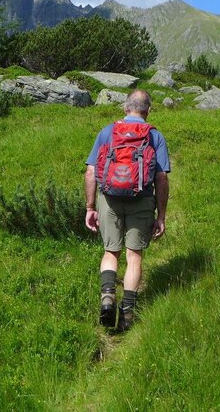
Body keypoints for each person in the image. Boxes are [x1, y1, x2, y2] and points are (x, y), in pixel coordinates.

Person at [84, 90, 170, 331]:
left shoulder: (107, 132)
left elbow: (91, 172)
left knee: (111, 252)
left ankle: (108, 297)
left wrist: (90, 207)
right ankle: (127, 314)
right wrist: (161, 215)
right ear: (148, 110)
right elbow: (161, 178)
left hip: (109, 199)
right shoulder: (154, 135)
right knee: (134, 256)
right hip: (141, 200)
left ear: (125, 107)